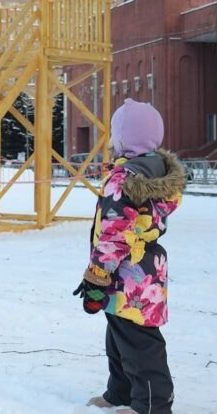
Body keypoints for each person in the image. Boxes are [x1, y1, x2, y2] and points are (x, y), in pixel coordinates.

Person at [73, 98, 185, 414]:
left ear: (123, 140)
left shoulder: (123, 180)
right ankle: (121, 391)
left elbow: (114, 232)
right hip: (146, 269)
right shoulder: (154, 173)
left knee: (138, 340)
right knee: (120, 334)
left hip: (125, 273)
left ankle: (152, 404)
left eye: (114, 134)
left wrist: (97, 274)